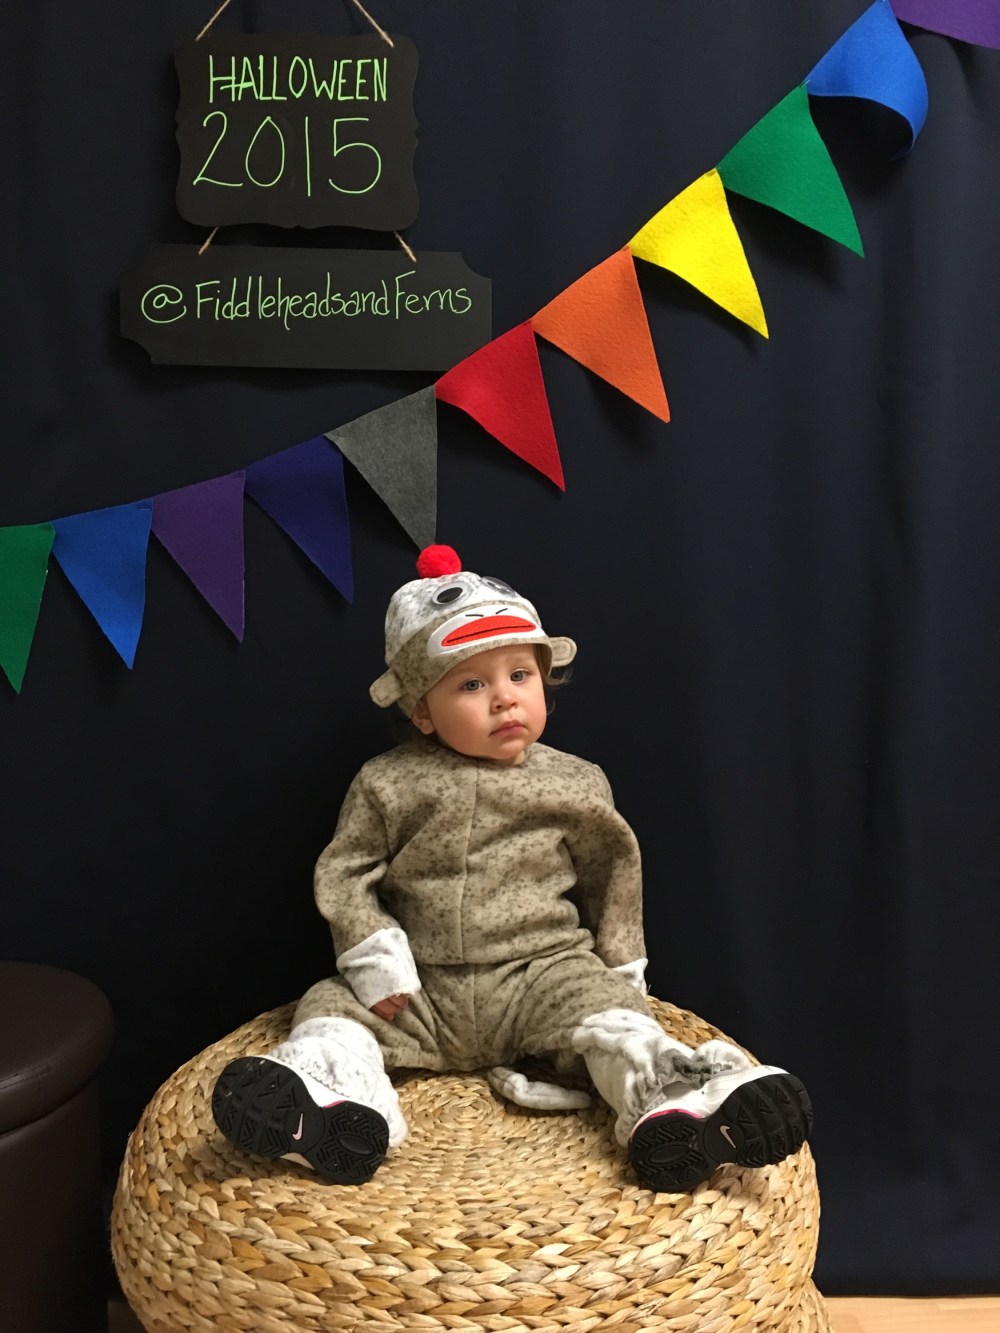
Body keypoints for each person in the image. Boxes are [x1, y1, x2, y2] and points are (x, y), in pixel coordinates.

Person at [212, 545, 812, 1192]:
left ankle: (681, 1103)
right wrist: (373, 955)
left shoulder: (575, 781)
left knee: (613, 1017)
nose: (504, 698)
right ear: (421, 710)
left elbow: (613, 876)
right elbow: (345, 873)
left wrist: (621, 970)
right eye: (472, 684)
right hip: (422, 987)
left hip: (541, 975)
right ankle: (328, 1102)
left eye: (520, 675)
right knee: (329, 1005)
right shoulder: (387, 783)